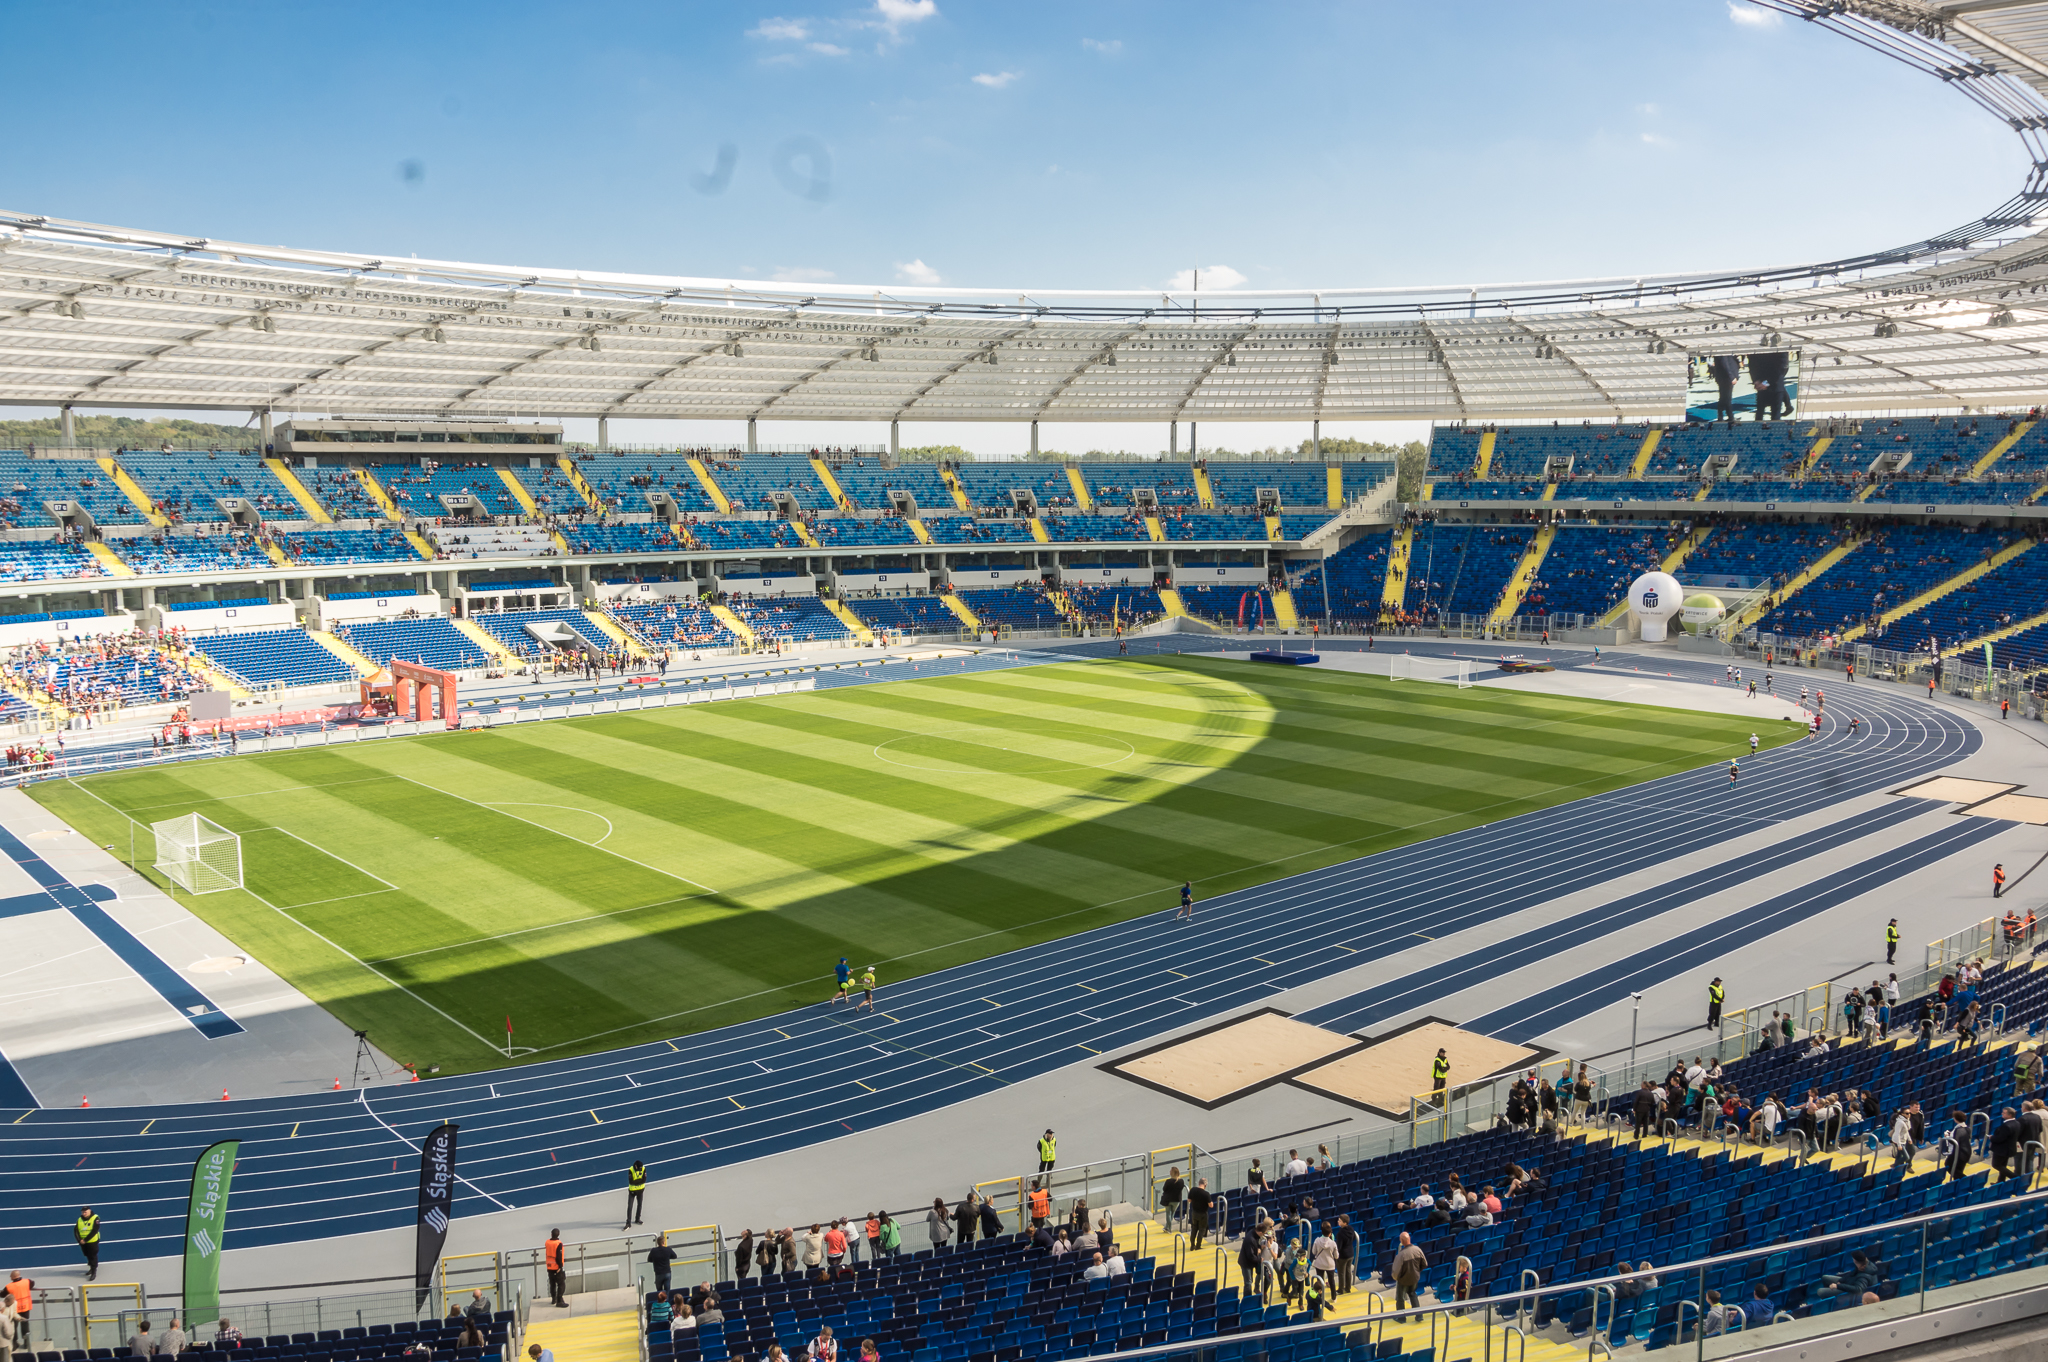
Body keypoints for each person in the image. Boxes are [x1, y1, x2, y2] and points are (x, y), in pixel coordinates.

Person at [1390, 1232, 1427, 1312]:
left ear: (1401, 1241)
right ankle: (1419, 1315)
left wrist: (1397, 1278)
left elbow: (1395, 1272)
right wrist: (1416, 1271)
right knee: (1413, 1294)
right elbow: (1425, 1264)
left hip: (1403, 1280)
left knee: (1400, 1298)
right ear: (1409, 1238)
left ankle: (1401, 1317)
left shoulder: (1401, 1255)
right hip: (1414, 1278)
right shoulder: (1418, 1250)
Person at [75, 1207, 101, 1281]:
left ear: (89, 1211)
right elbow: (76, 1230)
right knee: (87, 1255)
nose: (84, 1213)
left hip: (92, 1241)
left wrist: (85, 1240)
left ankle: (93, 1272)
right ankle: (91, 1268)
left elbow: (95, 1230)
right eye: (83, 1212)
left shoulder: (95, 1218)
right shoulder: (79, 1219)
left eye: (85, 1212)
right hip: (83, 1242)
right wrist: (79, 1240)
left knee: (93, 1256)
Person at [545, 1228, 567, 1308]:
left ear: (551, 1234)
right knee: (561, 1284)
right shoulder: (558, 1244)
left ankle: (553, 1299)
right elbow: (558, 1256)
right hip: (556, 1267)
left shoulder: (547, 1242)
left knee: (552, 1284)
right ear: (558, 1234)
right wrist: (560, 1267)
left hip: (549, 1267)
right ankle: (559, 1300)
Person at [1188, 1177, 1213, 1249]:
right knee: (1201, 1230)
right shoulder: (1206, 1194)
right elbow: (1211, 1205)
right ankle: (1198, 1245)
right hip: (1203, 1214)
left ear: (1199, 1183)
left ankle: (1192, 1245)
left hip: (1194, 1212)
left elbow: (1189, 1200)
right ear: (1205, 1185)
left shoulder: (1193, 1190)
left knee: (1194, 1229)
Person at [623, 1160, 648, 1228]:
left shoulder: (643, 1168)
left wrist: (637, 1181)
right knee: (630, 1206)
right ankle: (628, 1222)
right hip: (632, 1191)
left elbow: (644, 1180)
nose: (640, 1169)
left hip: (640, 1190)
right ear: (636, 1166)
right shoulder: (631, 1169)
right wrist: (639, 1181)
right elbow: (631, 1182)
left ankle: (637, 1219)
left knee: (639, 1205)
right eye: (639, 1168)